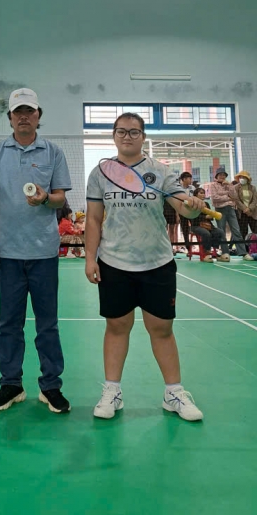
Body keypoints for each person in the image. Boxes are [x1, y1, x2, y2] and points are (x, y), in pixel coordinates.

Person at [85, 112, 205, 422]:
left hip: (157, 262)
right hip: (114, 262)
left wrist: (193, 207)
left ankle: (173, 393)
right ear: (114, 135)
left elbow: (182, 206)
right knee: (117, 327)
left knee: (161, 329)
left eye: (134, 131)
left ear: (143, 136)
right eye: (121, 131)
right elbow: (94, 219)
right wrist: (90, 258)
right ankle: (112, 391)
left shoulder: (161, 171)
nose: (127, 136)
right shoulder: (100, 173)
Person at [0, 87, 72, 414]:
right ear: (9, 118)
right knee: (9, 323)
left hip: (44, 253)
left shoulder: (53, 152)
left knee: (47, 324)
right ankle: (11, 384)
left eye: (29, 111)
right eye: (17, 112)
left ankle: (51, 386)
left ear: (38, 116)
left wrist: (46, 198)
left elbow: (60, 199)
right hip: (8, 253)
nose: (23, 117)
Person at [210, 168, 246, 257]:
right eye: (220, 175)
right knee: (221, 231)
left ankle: (242, 252)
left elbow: (235, 196)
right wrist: (228, 197)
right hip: (219, 210)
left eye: (224, 175)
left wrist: (229, 186)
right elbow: (215, 198)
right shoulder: (213, 185)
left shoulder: (229, 185)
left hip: (230, 209)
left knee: (236, 230)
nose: (222, 176)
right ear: (216, 176)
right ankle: (225, 252)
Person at [189, 186, 230, 263]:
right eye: (201, 193)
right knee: (206, 233)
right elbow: (192, 218)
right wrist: (205, 217)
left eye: (204, 193)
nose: (203, 195)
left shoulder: (206, 204)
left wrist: (211, 216)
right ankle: (206, 254)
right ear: (196, 195)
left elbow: (210, 217)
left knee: (220, 232)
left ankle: (224, 253)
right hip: (196, 226)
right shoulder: (193, 204)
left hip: (208, 225)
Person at [232, 171, 257, 255]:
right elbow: (237, 200)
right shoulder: (235, 187)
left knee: (255, 230)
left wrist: (249, 209)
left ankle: (255, 248)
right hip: (241, 213)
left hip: (252, 213)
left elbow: (255, 200)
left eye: (244, 177)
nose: (242, 179)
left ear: (248, 179)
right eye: (240, 177)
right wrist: (244, 209)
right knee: (243, 231)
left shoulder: (253, 188)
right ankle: (244, 250)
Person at [175, 172, 195, 250]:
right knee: (185, 229)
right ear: (184, 179)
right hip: (182, 211)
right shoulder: (178, 189)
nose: (191, 180)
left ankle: (197, 244)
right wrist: (177, 215)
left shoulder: (192, 188)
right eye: (189, 179)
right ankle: (188, 247)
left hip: (192, 211)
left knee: (195, 227)